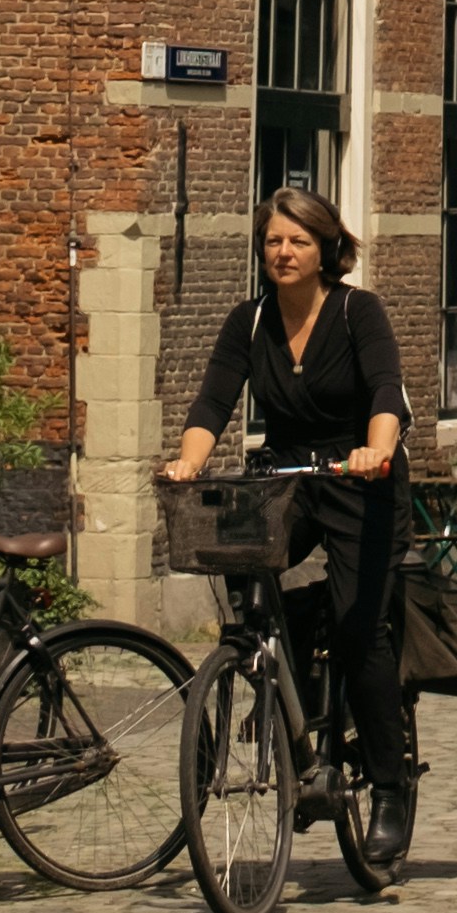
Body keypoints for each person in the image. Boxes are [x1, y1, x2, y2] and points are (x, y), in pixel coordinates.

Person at [164, 183, 416, 870]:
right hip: (285, 477)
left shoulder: (358, 312)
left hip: (359, 479)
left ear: (325, 248)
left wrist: (378, 448)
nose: (283, 251)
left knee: (363, 631)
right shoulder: (249, 322)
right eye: (274, 240)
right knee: (244, 573)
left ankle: (388, 791)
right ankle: (287, 689)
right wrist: (188, 464)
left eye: (298, 240)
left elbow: (386, 389)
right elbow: (213, 399)